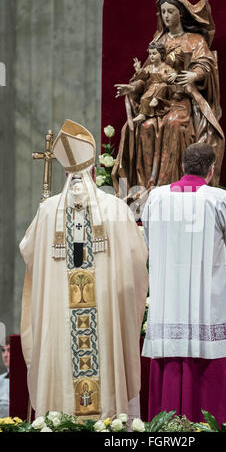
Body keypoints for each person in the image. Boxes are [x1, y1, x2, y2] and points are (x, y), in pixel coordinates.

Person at [20, 119, 148, 420]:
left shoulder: (48, 210)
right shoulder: (116, 209)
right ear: (94, 166)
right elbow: (137, 260)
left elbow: (28, 253)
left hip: (59, 313)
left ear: (66, 170)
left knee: (62, 360)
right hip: (103, 316)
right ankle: (109, 426)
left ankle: (57, 418)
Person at [141, 143, 226, 424]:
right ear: (212, 170)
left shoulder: (155, 198)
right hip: (208, 299)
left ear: (182, 166)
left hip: (169, 298)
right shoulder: (220, 199)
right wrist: (219, 266)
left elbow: (149, 241)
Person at [113, 0, 224, 200]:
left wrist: (194, 74)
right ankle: (148, 191)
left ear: (180, 13)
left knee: (173, 124)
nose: (166, 15)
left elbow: (206, 63)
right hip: (157, 103)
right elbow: (147, 74)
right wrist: (132, 87)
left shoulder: (195, 39)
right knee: (144, 127)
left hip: (181, 103)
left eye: (170, 11)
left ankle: (172, 189)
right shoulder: (159, 40)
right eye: (163, 11)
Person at [132, 42, 176, 123]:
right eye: (150, 53)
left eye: (154, 53)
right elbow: (143, 76)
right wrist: (138, 70)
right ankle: (143, 115)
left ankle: (156, 99)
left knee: (163, 86)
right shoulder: (150, 67)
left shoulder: (166, 67)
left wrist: (174, 75)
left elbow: (172, 73)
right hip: (152, 87)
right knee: (144, 98)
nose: (151, 56)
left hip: (163, 87)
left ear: (161, 55)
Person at [0, 338, 10, 418]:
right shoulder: (1, 379)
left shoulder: (26, 379)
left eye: (9, 350)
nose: (5, 355)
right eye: (3, 350)